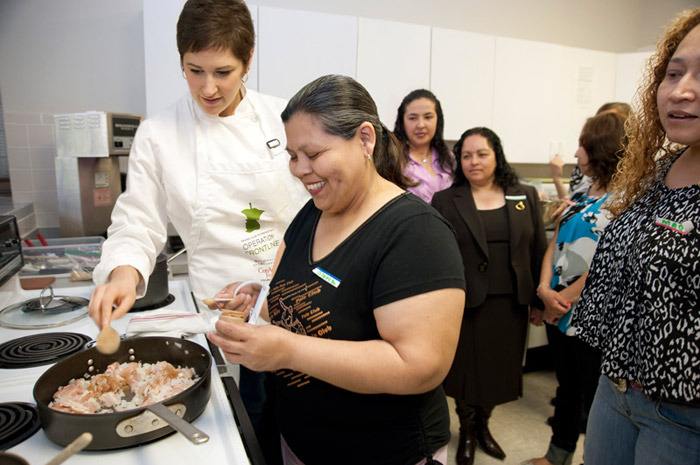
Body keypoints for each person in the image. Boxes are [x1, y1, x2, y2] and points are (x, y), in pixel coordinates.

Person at [87, 0, 308, 462]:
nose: (208, 88)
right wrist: (123, 273)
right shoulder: (160, 132)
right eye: (194, 70)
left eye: (223, 72)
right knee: (245, 423)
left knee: (301, 422)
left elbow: (317, 207)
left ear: (248, 62)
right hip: (218, 306)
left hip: (296, 296)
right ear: (181, 61)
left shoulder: (284, 117)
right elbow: (138, 217)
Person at [206, 74, 466, 465]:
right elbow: (300, 304)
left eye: (313, 154)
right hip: (301, 442)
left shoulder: (415, 234)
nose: (300, 169)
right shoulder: (312, 213)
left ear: (364, 140)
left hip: (382, 452)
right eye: (294, 156)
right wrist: (257, 298)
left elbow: (418, 366)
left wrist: (287, 351)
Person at [571, 8, 700, 465]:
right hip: (615, 391)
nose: (682, 90)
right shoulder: (658, 171)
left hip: (683, 416)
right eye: (674, 72)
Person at [431, 127, 547, 465]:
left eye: (481, 154)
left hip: (511, 302)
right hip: (466, 303)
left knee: (499, 371)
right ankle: (467, 429)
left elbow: (538, 248)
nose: (473, 161)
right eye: (465, 155)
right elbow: (438, 254)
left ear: (496, 155)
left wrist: (538, 300)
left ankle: (484, 425)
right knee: (467, 371)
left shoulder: (523, 194)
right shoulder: (446, 200)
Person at [523, 110, 628, 465]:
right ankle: (557, 455)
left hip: (589, 314)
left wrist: (561, 299)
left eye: (581, 145)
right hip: (558, 310)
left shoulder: (627, 198)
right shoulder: (583, 188)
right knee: (566, 389)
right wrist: (543, 289)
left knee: (595, 395)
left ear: (599, 147)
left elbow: (612, 261)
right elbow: (557, 242)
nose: (576, 153)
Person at [393, 89, 454, 203]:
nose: (421, 125)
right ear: (402, 122)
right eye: (413, 118)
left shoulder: (449, 159)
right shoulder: (393, 159)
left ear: (438, 120)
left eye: (428, 117)